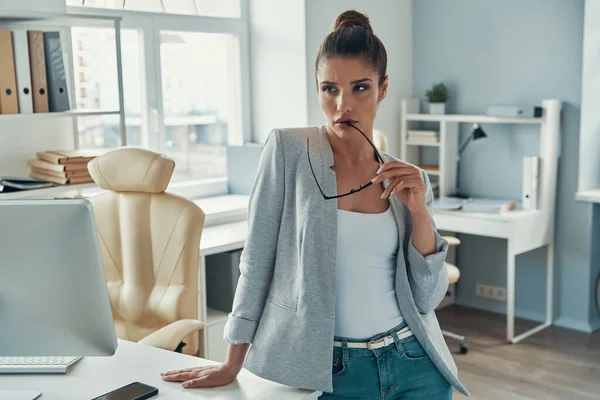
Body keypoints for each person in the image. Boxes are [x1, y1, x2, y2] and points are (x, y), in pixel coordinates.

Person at [161, 9, 469, 399]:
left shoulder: (408, 179)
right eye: (330, 89)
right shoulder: (288, 151)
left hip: (414, 363)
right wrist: (231, 363)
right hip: (332, 370)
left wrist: (420, 213)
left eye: (360, 87)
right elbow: (256, 264)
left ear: (383, 88)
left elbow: (427, 297)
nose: (344, 104)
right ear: (317, 88)